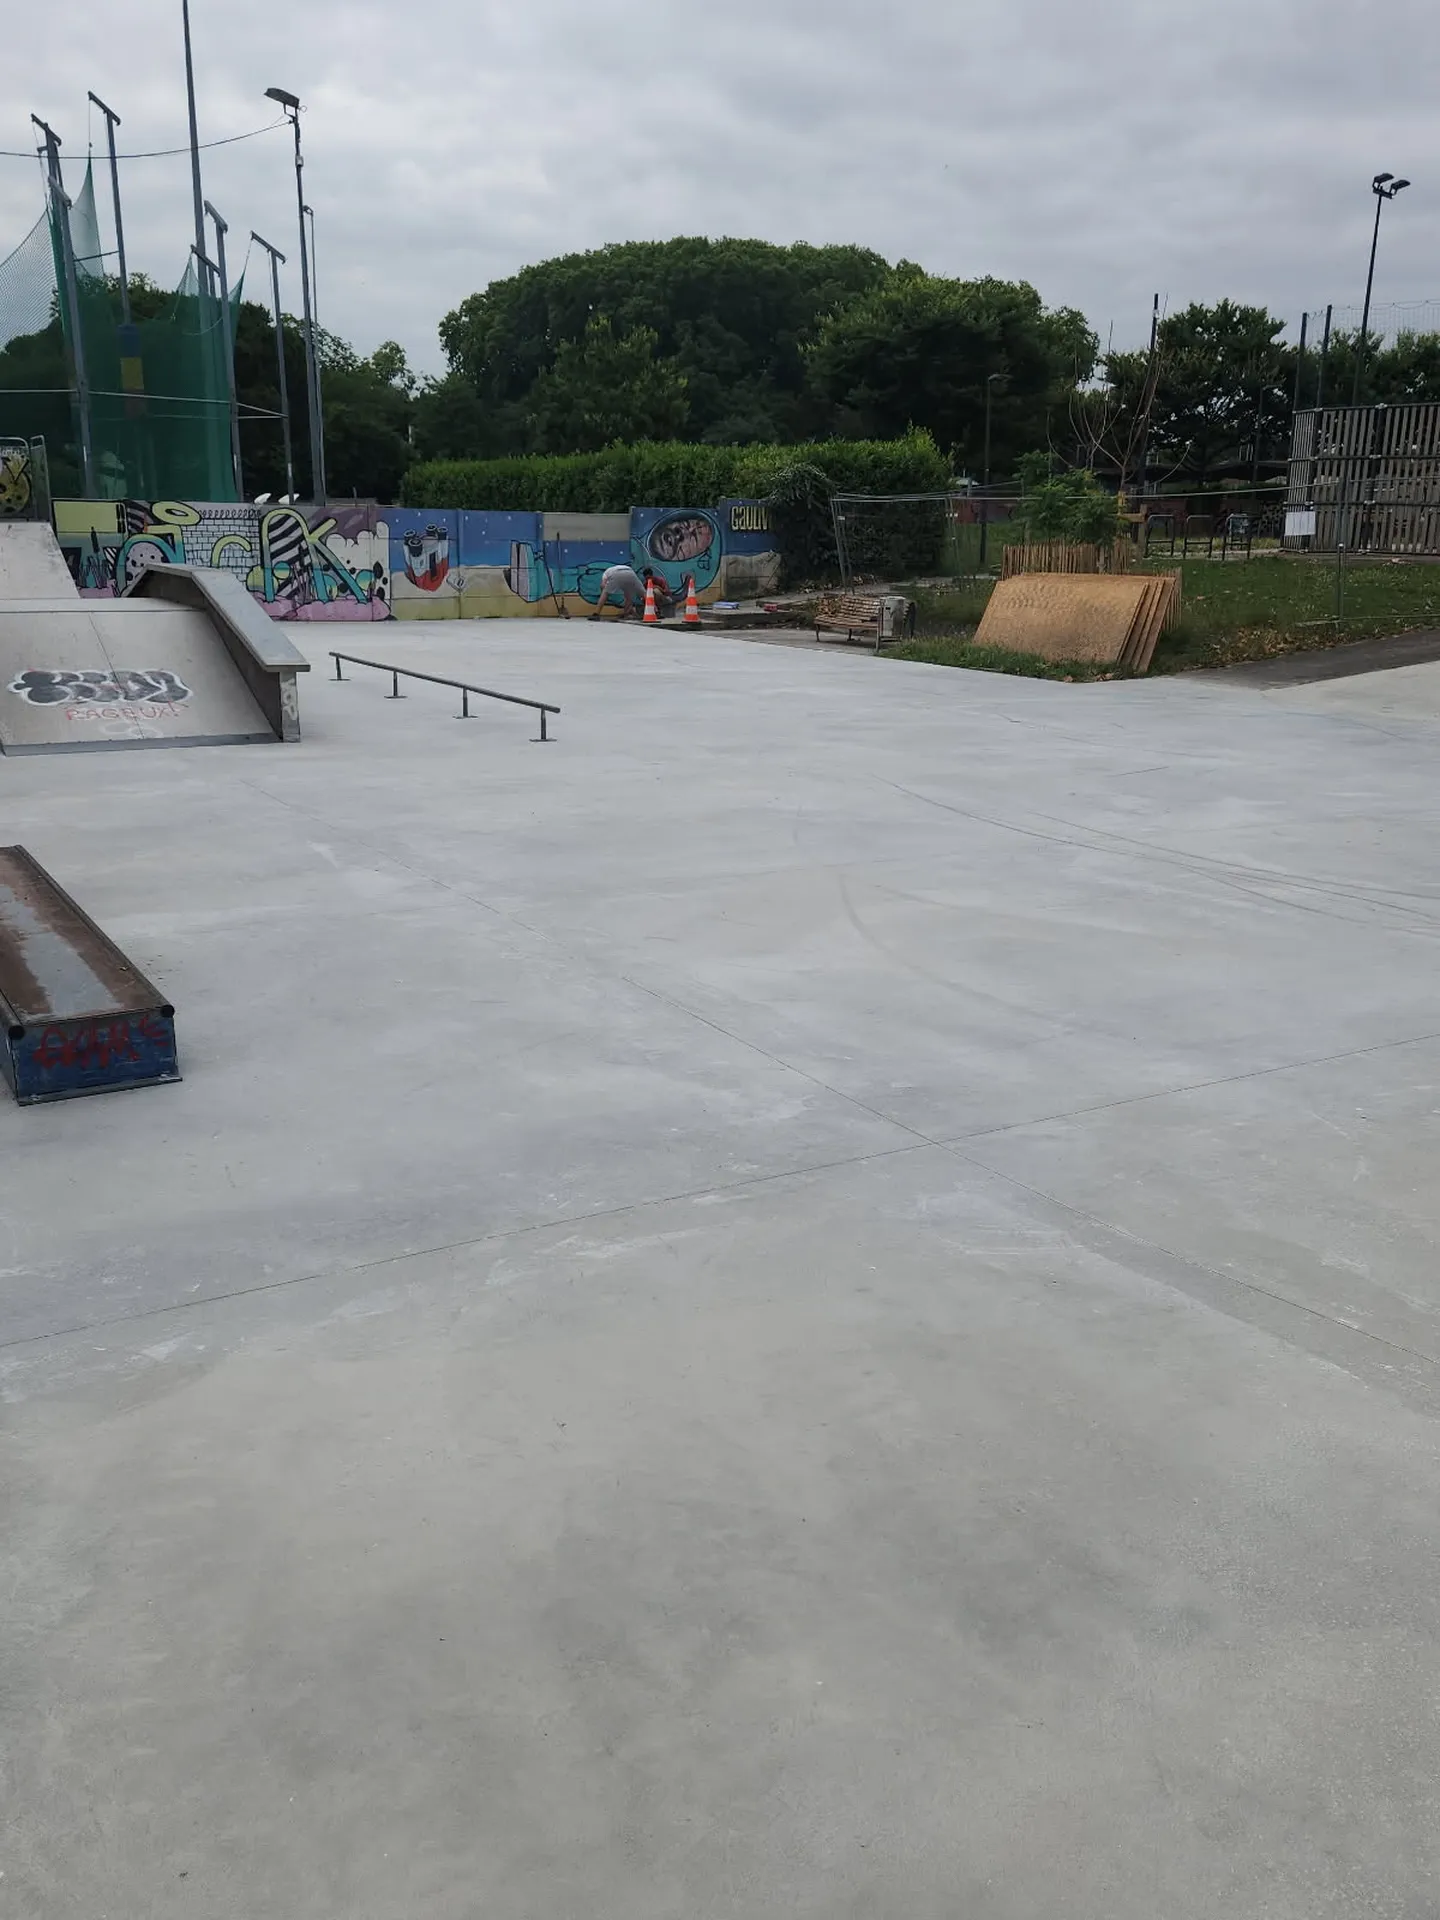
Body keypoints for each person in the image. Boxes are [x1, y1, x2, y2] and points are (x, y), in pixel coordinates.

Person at [588, 564, 670, 620]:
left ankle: (596, 614)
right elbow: (628, 597)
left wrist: (604, 591)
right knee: (645, 594)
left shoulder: (606, 572)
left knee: (605, 593)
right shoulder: (617, 568)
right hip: (631, 573)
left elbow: (603, 584)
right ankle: (656, 612)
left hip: (617, 574)